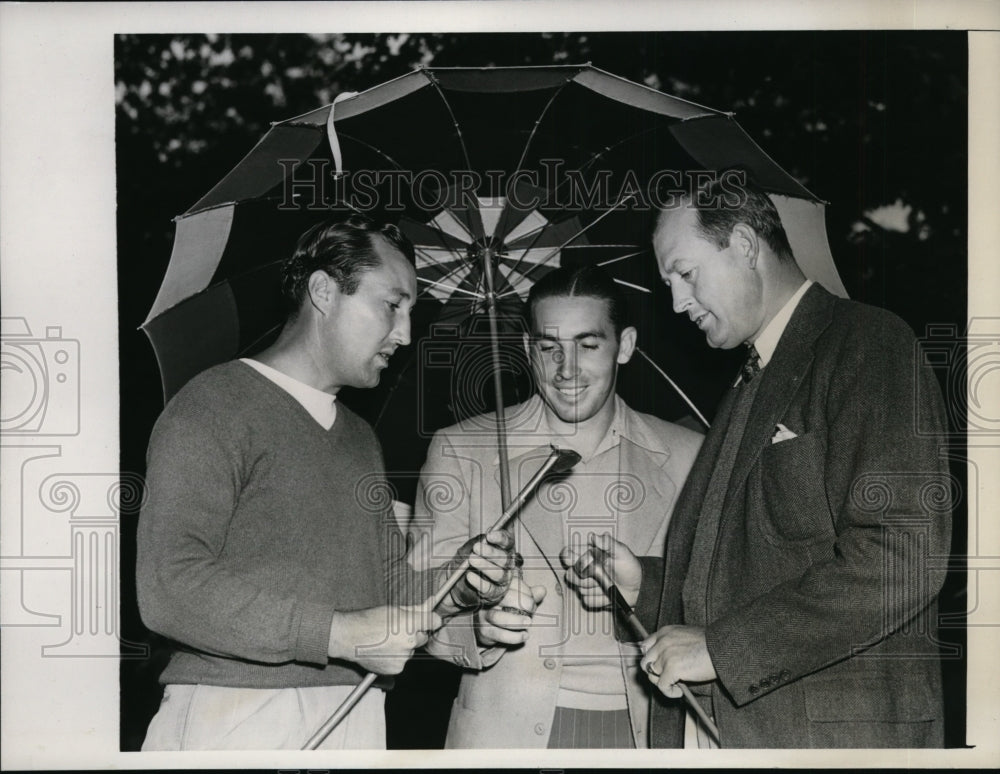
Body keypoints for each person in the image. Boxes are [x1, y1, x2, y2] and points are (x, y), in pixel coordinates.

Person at [582, 177, 952, 748]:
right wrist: (646, 585)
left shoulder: (869, 343)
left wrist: (723, 649)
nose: (677, 302)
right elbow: (753, 569)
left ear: (746, 246)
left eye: (686, 273)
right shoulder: (749, 378)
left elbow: (902, 555)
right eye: (668, 283)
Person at [136, 214, 508, 750]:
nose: (405, 334)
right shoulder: (213, 405)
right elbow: (168, 589)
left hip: (356, 711)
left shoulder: (360, 438)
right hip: (237, 713)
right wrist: (343, 635)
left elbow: (382, 590)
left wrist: (458, 583)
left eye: (411, 313)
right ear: (323, 291)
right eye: (392, 305)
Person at [413, 265, 704, 748]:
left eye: (588, 346)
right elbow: (413, 601)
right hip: (504, 735)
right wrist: (478, 628)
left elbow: (713, 599)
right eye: (549, 348)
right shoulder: (461, 449)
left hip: (649, 733)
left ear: (625, 346)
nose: (566, 370)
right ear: (530, 351)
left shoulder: (690, 455)